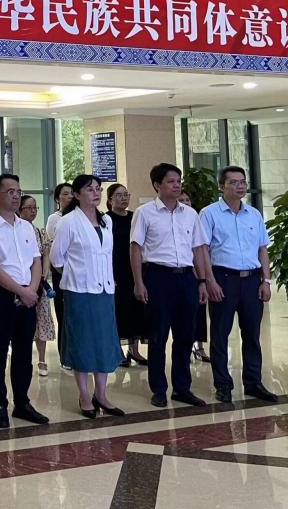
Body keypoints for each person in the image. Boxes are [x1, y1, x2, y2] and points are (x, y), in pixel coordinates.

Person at [131, 163, 217, 408]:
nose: (177, 185)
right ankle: (158, 389)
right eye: (171, 181)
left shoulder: (190, 214)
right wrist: (139, 282)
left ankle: (182, 388)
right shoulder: (144, 213)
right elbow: (135, 249)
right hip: (158, 277)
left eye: (179, 181)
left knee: (185, 335)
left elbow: (198, 249)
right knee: (158, 336)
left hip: (187, 278)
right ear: (157, 185)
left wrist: (202, 281)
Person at [200, 166, 278, 404]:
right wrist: (209, 280)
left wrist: (266, 280)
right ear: (221, 186)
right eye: (233, 182)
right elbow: (203, 250)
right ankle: (223, 384)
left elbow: (262, 249)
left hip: (252, 280)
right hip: (223, 279)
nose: (240, 186)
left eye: (242, 181)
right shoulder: (209, 214)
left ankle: (253, 382)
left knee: (252, 335)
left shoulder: (254, 214)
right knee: (220, 335)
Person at [50, 175, 125, 418]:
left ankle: (101, 394)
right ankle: (84, 395)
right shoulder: (68, 222)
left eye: (98, 189)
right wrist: (77, 274)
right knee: (82, 342)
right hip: (79, 292)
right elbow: (56, 258)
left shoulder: (106, 220)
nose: (96, 193)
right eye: (90, 189)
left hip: (105, 290)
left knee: (103, 341)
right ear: (77, 194)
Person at [0, 173, 49, 428]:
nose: (16, 196)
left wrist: (32, 289)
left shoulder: (26, 227)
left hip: (28, 294)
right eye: (10, 192)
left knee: (23, 351)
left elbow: (36, 260)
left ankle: (22, 402)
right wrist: (22, 291)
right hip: (0, 295)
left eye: (18, 191)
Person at [105, 183, 148, 367]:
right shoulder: (106, 219)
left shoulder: (134, 217)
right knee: (119, 311)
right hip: (116, 270)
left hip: (135, 269)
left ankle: (134, 350)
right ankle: (118, 351)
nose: (123, 198)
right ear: (110, 200)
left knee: (136, 310)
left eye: (126, 195)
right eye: (119, 195)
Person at [19, 195, 55, 377]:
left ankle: (42, 359)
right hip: (22, 283)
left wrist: (43, 273)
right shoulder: (16, 231)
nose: (33, 211)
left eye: (35, 208)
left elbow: (45, 255)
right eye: (29, 208)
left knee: (42, 320)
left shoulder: (40, 232)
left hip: (40, 283)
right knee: (22, 323)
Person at [179, 191, 212, 363]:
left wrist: (204, 278)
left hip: (197, 275)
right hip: (181, 275)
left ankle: (199, 346)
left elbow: (202, 249)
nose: (185, 202)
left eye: (187, 200)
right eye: (181, 200)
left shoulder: (194, 219)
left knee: (199, 313)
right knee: (184, 317)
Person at [45, 183, 74, 370]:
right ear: (58, 198)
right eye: (65, 194)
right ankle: (65, 356)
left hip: (78, 273)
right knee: (64, 314)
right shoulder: (55, 219)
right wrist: (62, 271)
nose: (70, 197)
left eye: (72, 193)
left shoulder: (80, 216)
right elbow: (52, 247)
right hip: (61, 272)